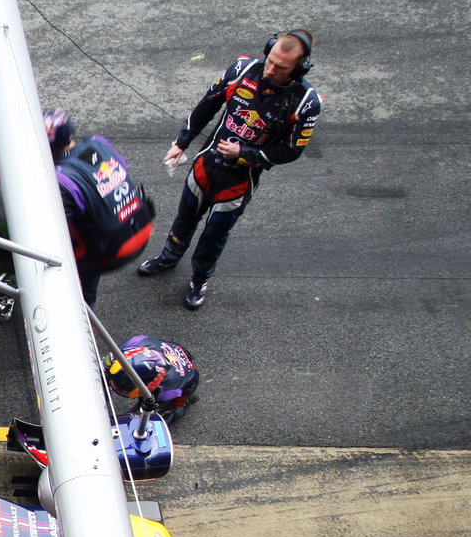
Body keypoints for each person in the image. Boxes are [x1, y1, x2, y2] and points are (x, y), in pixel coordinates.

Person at [136, 30, 323, 310]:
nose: (270, 69)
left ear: (299, 67)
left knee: (215, 233)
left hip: (240, 178)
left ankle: (200, 278)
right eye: (270, 60)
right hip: (206, 163)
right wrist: (181, 143)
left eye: (281, 67)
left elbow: (292, 150)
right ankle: (169, 256)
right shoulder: (242, 70)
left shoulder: (306, 102)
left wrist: (245, 154)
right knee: (185, 216)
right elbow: (206, 106)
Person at [45, 109, 153, 307]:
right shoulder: (98, 142)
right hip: (140, 226)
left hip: (111, 250)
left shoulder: (60, 179)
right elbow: (122, 167)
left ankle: (83, 312)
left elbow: (54, 228)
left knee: (78, 276)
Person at [104, 334, 200, 423]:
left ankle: (183, 404)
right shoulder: (135, 342)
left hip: (188, 373)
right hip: (170, 347)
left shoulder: (168, 390)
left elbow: (145, 411)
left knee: (162, 414)